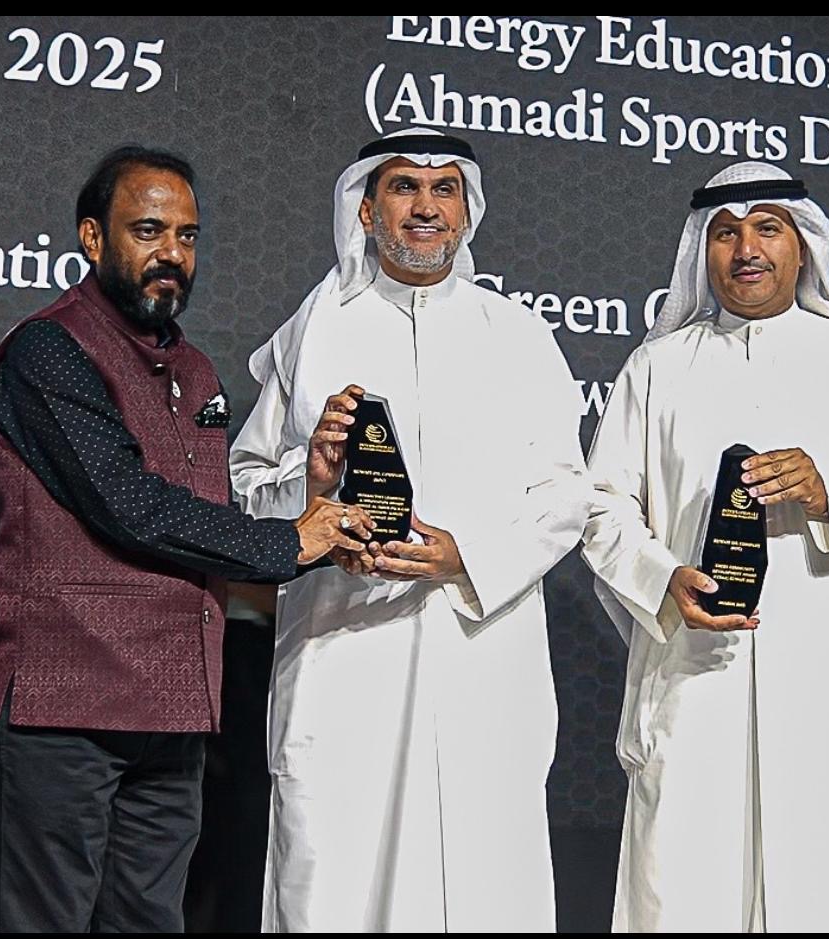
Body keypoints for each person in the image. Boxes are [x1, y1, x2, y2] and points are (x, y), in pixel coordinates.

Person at [0, 145, 372, 932]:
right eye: (148, 230)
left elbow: (210, 517)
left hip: (173, 713)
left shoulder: (196, 369)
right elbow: (130, 506)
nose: (172, 254)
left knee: (152, 921)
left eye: (187, 235)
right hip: (62, 712)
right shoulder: (48, 350)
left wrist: (315, 499)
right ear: (93, 237)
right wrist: (291, 542)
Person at [581, 161, 829, 932]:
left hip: (827, 687)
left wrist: (828, 498)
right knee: (684, 892)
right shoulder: (658, 367)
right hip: (694, 675)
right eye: (725, 233)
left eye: (766, 228)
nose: (745, 249)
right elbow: (600, 506)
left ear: (802, 244)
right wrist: (661, 577)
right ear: (703, 251)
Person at [230, 128, 590, 932]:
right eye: (404, 187)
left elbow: (568, 492)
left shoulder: (517, 335)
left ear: (467, 211)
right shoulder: (313, 331)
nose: (425, 206)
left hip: (481, 651)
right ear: (366, 210)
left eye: (444, 189)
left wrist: (468, 558)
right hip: (342, 650)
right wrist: (311, 483)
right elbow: (247, 488)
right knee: (333, 879)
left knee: (483, 882)